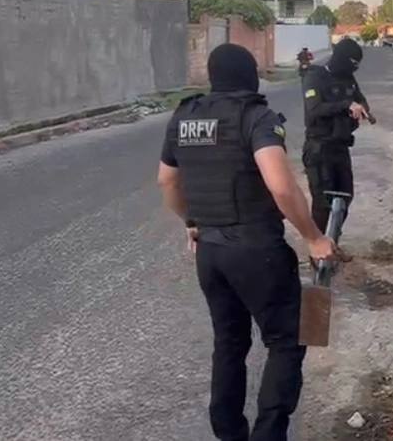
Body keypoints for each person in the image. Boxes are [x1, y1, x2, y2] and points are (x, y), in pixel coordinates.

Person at [156, 43, 336, 441]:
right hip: (257, 251)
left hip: (210, 252)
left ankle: (229, 432)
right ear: (250, 75)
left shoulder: (184, 116)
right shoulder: (255, 116)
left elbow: (167, 180)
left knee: (230, 342)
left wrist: (192, 222)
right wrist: (313, 236)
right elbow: (281, 186)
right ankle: (268, 434)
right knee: (287, 341)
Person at [301, 38, 370, 234]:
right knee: (323, 202)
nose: (356, 68)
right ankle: (317, 244)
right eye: (353, 63)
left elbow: (361, 101)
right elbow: (314, 109)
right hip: (319, 148)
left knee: (345, 197)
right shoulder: (314, 77)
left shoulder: (348, 79)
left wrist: (362, 109)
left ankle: (332, 239)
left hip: (340, 147)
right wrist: (346, 105)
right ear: (342, 59)